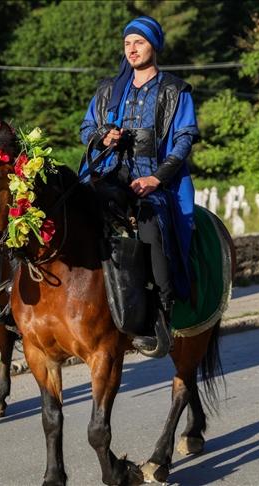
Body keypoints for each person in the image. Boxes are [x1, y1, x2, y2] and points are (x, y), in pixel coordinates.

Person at [79, 16, 199, 356]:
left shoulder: (175, 90)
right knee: (80, 209)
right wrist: (103, 135)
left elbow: (184, 139)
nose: (131, 49)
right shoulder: (107, 90)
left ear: (154, 46)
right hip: (110, 174)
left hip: (154, 177)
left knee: (151, 227)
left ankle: (161, 314)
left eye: (139, 42)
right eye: (127, 43)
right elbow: (86, 129)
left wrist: (156, 178)